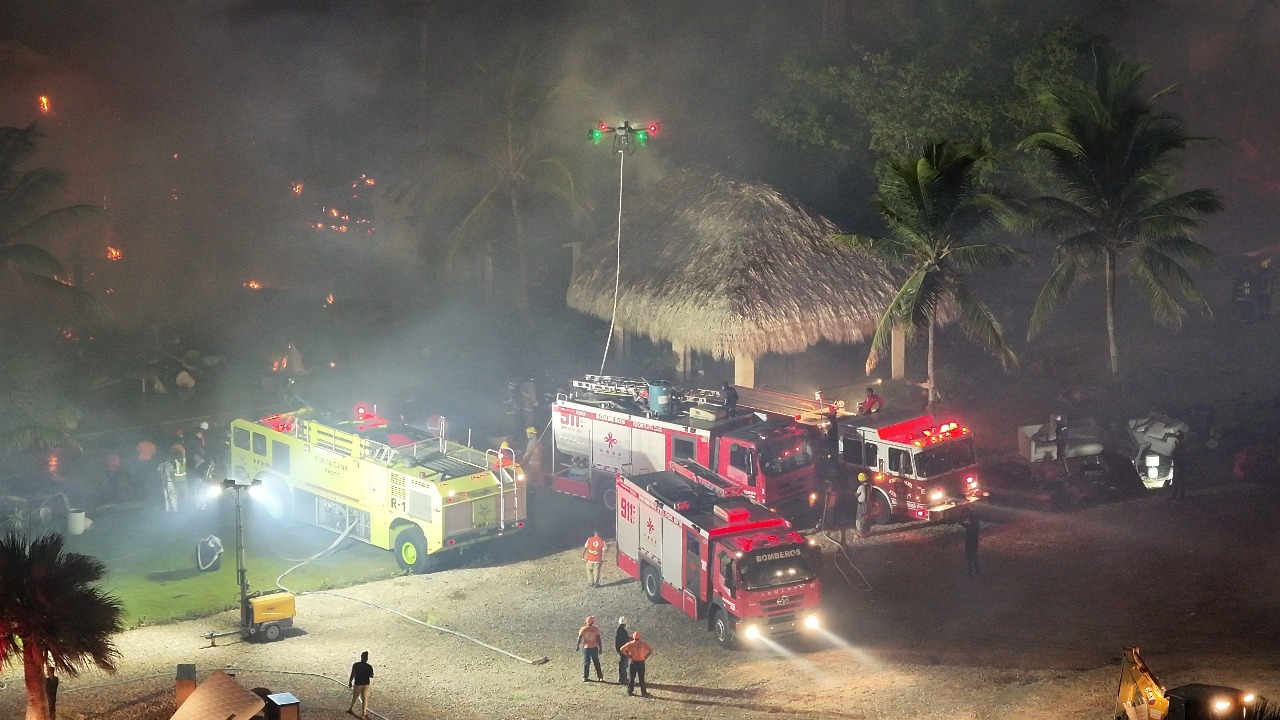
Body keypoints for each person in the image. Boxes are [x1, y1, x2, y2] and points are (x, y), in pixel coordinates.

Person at [619, 629, 654, 697]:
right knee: (641, 678)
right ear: (639, 637)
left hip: (633, 662)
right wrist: (646, 657)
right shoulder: (643, 644)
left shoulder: (630, 644)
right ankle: (643, 692)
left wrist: (628, 655)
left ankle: (630, 691)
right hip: (641, 662)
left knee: (632, 678)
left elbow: (621, 649)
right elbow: (651, 650)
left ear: (633, 637)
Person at [576, 615, 604, 682]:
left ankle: (585, 677)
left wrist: (577, 646)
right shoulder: (595, 629)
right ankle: (600, 677)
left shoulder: (583, 629)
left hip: (586, 648)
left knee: (586, 662)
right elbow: (598, 639)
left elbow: (579, 638)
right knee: (596, 662)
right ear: (593, 622)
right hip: (594, 647)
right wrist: (600, 647)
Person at [347, 650, 374, 718]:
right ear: (367, 658)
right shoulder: (369, 666)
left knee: (355, 697)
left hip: (358, 683)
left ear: (361, 657)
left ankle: (351, 708)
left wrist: (350, 682)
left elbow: (352, 674)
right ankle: (364, 713)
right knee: (365, 698)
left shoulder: (356, 665)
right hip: (366, 683)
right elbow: (371, 676)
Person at [960, 508, 981, 577]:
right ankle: (971, 571)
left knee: (973, 556)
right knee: (970, 556)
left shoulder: (973, 519)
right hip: (971, 540)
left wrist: (963, 524)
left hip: (972, 540)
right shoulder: (972, 518)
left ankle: (976, 571)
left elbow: (971, 528)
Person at [1171, 431, 1190, 501]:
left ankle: (1180, 495)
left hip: (1180, 465)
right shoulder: (1179, 446)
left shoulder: (1182, 447)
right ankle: (1174, 495)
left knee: (1180, 481)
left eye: (1178, 439)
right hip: (1177, 464)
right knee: (1175, 480)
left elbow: (1181, 456)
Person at [854, 473, 871, 537]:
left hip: (861, 504)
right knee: (867, 516)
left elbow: (856, 495)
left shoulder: (861, 487)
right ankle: (867, 530)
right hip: (867, 503)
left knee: (860, 517)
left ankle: (860, 531)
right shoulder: (869, 486)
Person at [615, 616, 631, 684]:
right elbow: (625, 641)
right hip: (624, 650)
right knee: (624, 665)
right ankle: (623, 679)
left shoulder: (619, 631)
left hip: (620, 649)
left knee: (622, 664)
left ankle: (621, 678)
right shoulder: (623, 631)